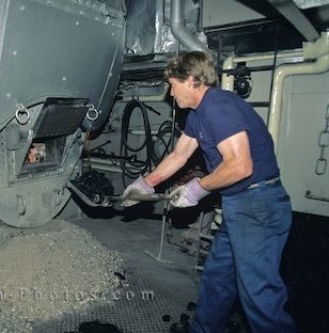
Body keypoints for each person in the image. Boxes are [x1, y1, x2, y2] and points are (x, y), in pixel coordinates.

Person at [122, 51, 296, 333]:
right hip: (238, 204)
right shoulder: (198, 114)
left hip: (258, 205)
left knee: (259, 295)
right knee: (218, 278)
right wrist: (145, 184)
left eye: (172, 84)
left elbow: (240, 166)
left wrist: (197, 188)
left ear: (191, 80)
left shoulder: (218, 107)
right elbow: (179, 155)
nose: (170, 92)